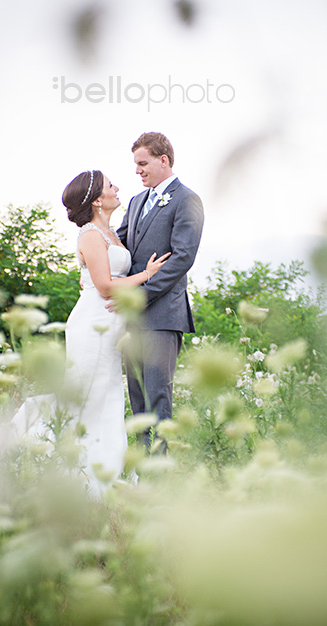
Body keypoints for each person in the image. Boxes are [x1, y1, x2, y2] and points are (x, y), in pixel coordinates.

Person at [13, 170, 169, 498]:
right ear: (97, 199)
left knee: (108, 396)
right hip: (93, 322)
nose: (117, 188)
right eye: (111, 185)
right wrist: (146, 274)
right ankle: (63, 466)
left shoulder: (110, 233)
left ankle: (102, 473)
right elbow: (105, 285)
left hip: (112, 324)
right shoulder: (90, 236)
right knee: (89, 395)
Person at [116, 132, 204, 453]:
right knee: (136, 396)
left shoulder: (187, 200)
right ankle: (141, 465)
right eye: (136, 164)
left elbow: (182, 258)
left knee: (158, 396)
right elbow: (120, 245)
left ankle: (162, 467)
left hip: (163, 315)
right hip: (131, 320)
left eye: (143, 163)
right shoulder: (137, 201)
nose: (137, 171)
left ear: (163, 160)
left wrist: (140, 296)